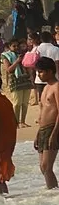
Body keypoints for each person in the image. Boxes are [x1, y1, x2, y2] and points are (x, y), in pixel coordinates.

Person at [33, 56, 59, 190]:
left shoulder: (56, 87)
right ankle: (52, 194)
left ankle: (55, 194)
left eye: (41, 72)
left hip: (52, 128)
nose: (39, 75)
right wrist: (38, 133)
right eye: (38, 72)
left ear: (50, 71)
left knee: (46, 167)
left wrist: (54, 134)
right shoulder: (45, 88)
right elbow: (42, 111)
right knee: (43, 168)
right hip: (43, 129)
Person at [2, 40, 34, 127]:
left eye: (17, 46)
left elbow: (28, 66)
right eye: (14, 46)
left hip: (25, 79)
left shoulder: (22, 54)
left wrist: (31, 75)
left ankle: (22, 121)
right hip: (15, 80)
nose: (16, 48)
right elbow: (9, 70)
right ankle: (15, 123)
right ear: (9, 46)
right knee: (17, 103)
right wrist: (17, 61)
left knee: (25, 103)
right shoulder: (6, 56)